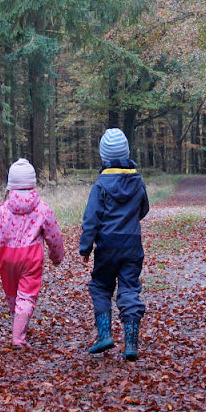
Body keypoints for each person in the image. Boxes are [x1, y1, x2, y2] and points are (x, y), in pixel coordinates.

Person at [79, 128, 149, 361]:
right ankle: (130, 343)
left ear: (104, 157)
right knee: (129, 289)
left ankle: (105, 334)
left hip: (107, 245)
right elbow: (144, 209)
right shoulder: (137, 181)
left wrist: (86, 247)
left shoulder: (101, 185)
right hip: (132, 244)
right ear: (127, 152)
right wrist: (129, 221)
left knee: (100, 286)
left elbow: (91, 219)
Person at [0, 158, 65, 349]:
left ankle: (18, 327)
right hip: (31, 257)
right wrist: (57, 256)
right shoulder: (42, 208)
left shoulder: (3, 209)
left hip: (7, 256)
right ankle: (18, 336)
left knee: (13, 296)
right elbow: (54, 235)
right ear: (32, 182)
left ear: (10, 184)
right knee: (26, 297)